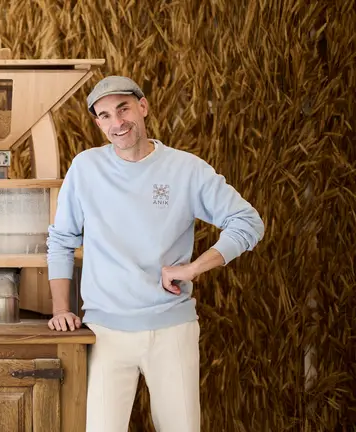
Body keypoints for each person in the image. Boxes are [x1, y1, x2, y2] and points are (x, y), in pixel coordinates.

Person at [45, 76, 264, 431]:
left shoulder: (186, 169)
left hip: (172, 328)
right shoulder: (85, 168)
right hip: (104, 331)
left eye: (123, 109)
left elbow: (248, 222)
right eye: (105, 116)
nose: (117, 123)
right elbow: (61, 240)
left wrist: (194, 268)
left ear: (143, 106)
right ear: (98, 124)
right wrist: (60, 309)